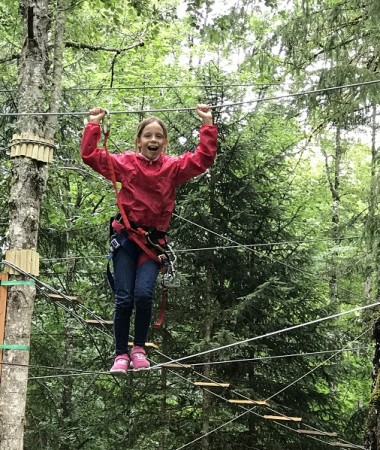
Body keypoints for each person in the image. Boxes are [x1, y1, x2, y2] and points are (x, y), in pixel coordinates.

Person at [81, 104, 218, 374]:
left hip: (153, 244)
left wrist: (207, 124)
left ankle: (139, 348)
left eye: (158, 137)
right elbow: (91, 156)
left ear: (164, 142)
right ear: (139, 141)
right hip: (126, 240)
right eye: (148, 136)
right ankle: (121, 353)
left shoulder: (173, 168)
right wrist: (94, 124)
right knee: (124, 298)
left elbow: (203, 159)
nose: (152, 140)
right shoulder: (126, 163)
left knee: (143, 295)